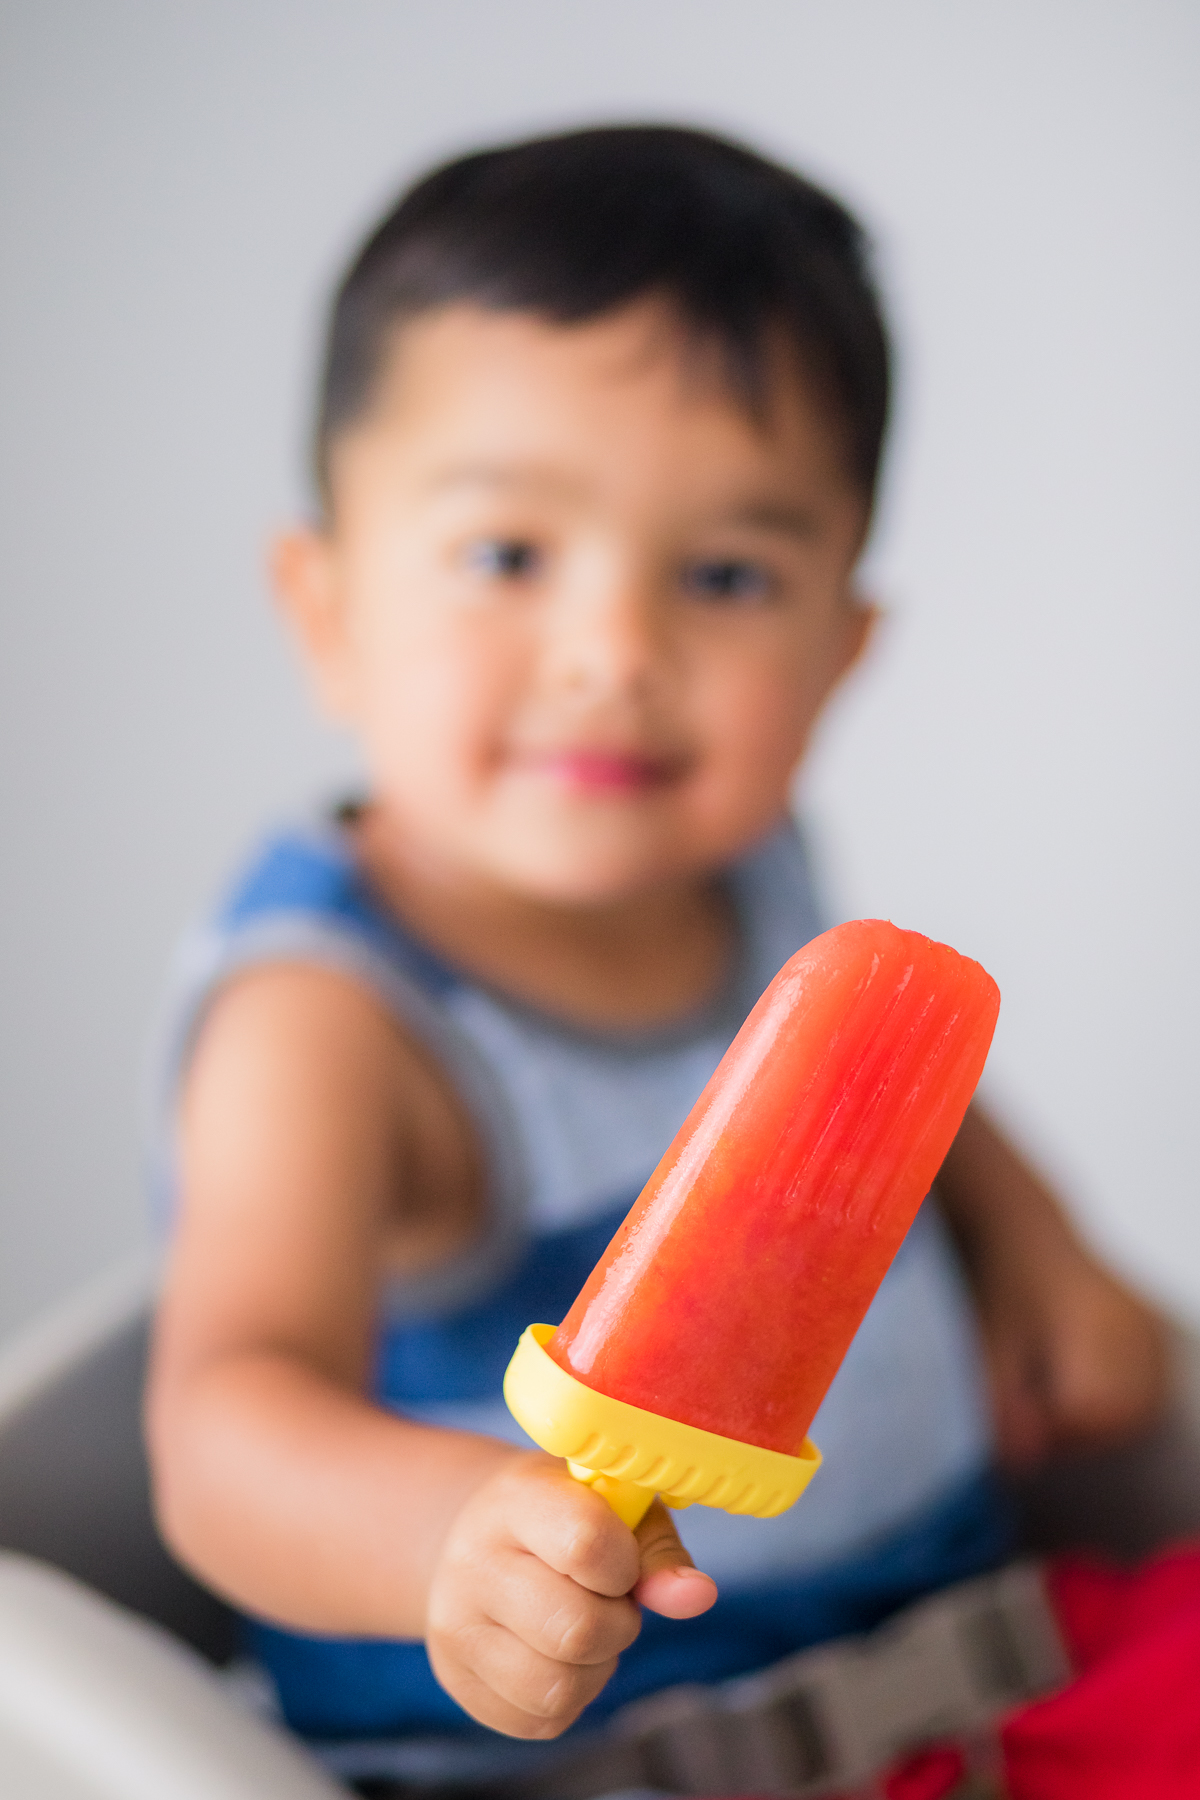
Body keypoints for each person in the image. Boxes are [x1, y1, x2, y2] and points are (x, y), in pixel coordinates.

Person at [145, 124, 1165, 1772]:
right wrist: (457, 1540)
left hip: (964, 1641)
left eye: (724, 574)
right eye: (506, 556)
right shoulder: (331, 1022)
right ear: (325, 608)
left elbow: (865, 1120)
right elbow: (222, 1426)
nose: (614, 652)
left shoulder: (753, 870)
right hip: (600, 1750)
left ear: (840, 652)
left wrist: (1036, 1239)